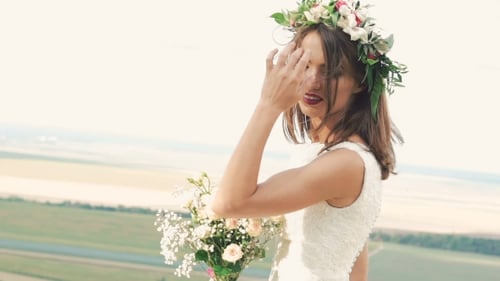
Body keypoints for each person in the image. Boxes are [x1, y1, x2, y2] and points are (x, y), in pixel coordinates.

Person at [212, 0, 407, 280]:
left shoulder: (345, 163)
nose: (313, 81)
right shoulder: (339, 156)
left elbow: (228, 204)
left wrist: (268, 105)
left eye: (332, 71)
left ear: (361, 81)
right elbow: (355, 266)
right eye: (304, 64)